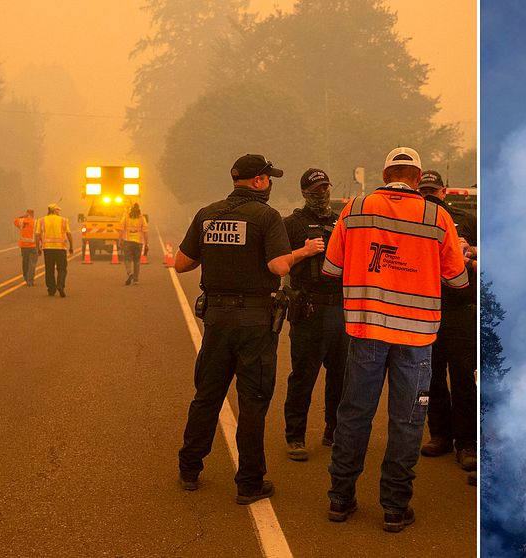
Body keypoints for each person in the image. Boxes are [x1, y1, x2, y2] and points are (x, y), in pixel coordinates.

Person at [323, 147, 469, 532]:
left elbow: (331, 267)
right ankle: (394, 507)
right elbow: (458, 280)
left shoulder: (355, 208)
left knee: (354, 414)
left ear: (385, 173)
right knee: (406, 421)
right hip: (417, 337)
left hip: (366, 330)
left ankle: (340, 499)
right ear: (418, 179)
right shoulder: (437, 215)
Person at [174, 153, 321, 505]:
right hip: (255, 323)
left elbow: (181, 263)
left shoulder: (207, 214)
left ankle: (189, 469)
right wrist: (300, 253)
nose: (270, 184)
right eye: (269, 179)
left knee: (207, 395)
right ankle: (249, 483)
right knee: (252, 402)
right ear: (258, 182)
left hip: (217, 321)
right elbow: (277, 265)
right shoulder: (266, 217)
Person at [282, 168, 349, 461]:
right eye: (315, 190)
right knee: (303, 376)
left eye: (325, 188)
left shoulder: (342, 221)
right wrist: (304, 252)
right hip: (309, 309)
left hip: (341, 308)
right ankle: (295, 436)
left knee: (341, 376)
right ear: (304, 193)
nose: (322, 194)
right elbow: (277, 263)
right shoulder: (291, 225)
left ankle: (333, 430)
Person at [416, 170, 479, 476]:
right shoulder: (413, 219)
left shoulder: (467, 218)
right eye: (424, 191)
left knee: (465, 377)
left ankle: (468, 443)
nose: (429, 196)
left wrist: (471, 253)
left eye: (433, 191)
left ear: (443, 192)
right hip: (427, 307)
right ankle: (440, 433)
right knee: (431, 377)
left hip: (461, 307)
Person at [35, 203, 74, 297]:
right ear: (54, 210)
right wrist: (71, 247)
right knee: (62, 269)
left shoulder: (41, 220)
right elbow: (69, 234)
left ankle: (51, 289)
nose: (59, 212)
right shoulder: (64, 220)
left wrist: (38, 248)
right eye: (58, 210)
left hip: (47, 249)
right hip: (60, 248)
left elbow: (37, 235)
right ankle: (60, 285)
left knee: (49, 269)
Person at [118, 202, 148, 285]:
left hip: (127, 241)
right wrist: (146, 243)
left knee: (127, 259)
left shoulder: (126, 217)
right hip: (138, 243)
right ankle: (136, 280)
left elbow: (120, 229)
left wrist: (120, 240)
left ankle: (129, 272)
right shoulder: (142, 218)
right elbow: (145, 232)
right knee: (137, 261)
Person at [13, 209, 37, 286]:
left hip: (24, 246)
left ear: (27, 213)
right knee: (32, 264)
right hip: (33, 246)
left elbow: (15, 220)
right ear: (33, 214)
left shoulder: (22, 221)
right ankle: (30, 280)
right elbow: (39, 234)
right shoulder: (36, 222)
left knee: (25, 263)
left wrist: (23, 216)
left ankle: (26, 277)